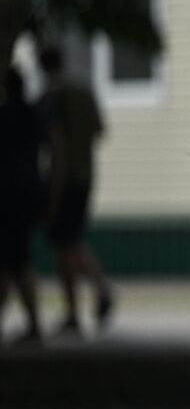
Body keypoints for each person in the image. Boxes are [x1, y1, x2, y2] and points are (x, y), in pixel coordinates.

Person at [36, 46, 114, 337]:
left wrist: (51, 191)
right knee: (71, 239)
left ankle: (81, 305)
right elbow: (100, 130)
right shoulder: (83, 92)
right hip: (85, 175)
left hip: (63, 179)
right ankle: (92, 295)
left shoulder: (50, 99)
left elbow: (56, 147)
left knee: (64, 244)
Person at [1, 66, 45, 344]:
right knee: (15, 259)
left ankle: (33, 324)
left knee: (13, 260)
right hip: (28, 192)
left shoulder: (5, 115)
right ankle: (33, 322)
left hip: (6, 195)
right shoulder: (32, 114)